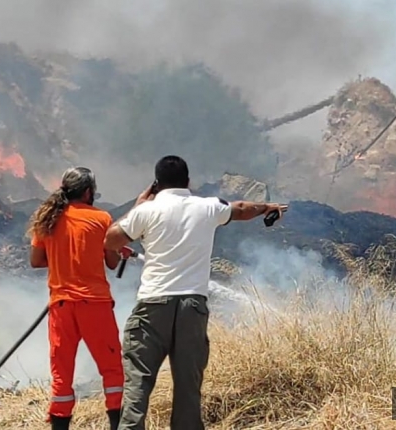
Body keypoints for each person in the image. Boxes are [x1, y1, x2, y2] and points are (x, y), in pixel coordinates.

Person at [103, 155, 287, 430]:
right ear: (188, 182)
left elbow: (110, 239)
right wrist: (265, 208)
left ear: (156, 184)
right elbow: (241, 208)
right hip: (192, 308)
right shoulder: (208, 207)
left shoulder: (147, 211)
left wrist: (138, 206)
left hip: (153, 306)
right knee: (188, 388)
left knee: (138, 384)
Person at [28, 166, 128, 430]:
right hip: (95, 305)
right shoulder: (103, 219)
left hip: (61, 307)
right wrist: (111, 249)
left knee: (61, 375)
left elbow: (36, 261)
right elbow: (111, 261)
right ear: (88, 192)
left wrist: (63, 256)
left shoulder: (47, 219)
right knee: (112, 370)